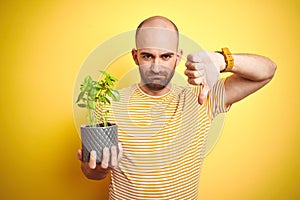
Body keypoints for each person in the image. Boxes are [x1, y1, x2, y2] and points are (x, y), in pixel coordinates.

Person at [77, 16, 276, 199]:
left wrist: (222, 60)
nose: (156, 67)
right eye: (147, 56)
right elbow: (91, 172)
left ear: (178, 57)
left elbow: (267, 71)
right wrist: (98, 169)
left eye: (165, 56)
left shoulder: (202, 97)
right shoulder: (108, 104)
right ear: (135, 56)